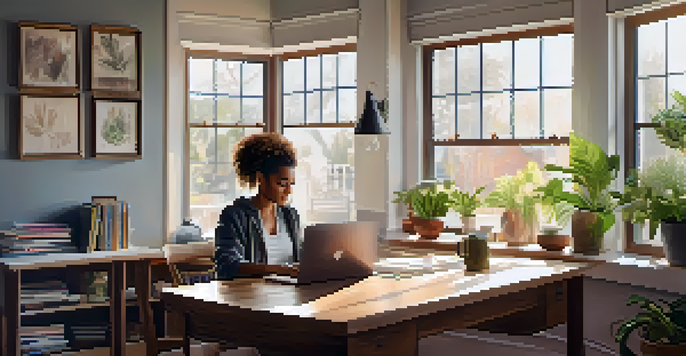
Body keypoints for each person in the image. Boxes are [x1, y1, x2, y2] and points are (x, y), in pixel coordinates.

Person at [214, 133, 300, 280]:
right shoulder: (235, 216)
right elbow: (227, 266)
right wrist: (283, 270)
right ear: (260, 179)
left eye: (291, 184)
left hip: (289, 295)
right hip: (250, 298)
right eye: (281, 184)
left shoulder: (290, 215)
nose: (289, 191)